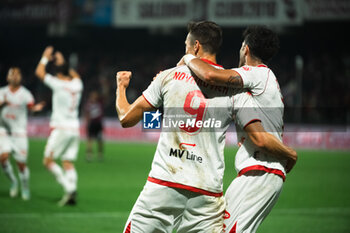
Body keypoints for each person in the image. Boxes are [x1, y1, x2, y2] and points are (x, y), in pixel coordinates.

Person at [116, 21, 296, 233]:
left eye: (186, 46)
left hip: (165, 182)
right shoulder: (237, 91)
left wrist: (121, 87)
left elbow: (126, 119)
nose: (185, 51)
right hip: (207, 193)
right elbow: (257, 134)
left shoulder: (169, 76)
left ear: (195, 47)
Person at [181, 25, 297, 233]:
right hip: (258, 173)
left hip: (260, 172)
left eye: (241, 46)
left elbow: (210, 75)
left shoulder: (255, 74)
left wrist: (189, 57)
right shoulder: (265, 79)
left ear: (246, 49)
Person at [35, 46, 83, 206]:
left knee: (47, 161)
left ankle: (69, 189)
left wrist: (45, 57)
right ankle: (73, 189)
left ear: (58, 72)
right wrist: (64, 62)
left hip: (61, 128)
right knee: (68, 162)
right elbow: (74, 74)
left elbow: (40, 73)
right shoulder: (78, 84)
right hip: (75, 129)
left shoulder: (58, 84)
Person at [0, 67, 44, 200]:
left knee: (21, 164)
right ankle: (13, 182)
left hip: (19, 132)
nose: (15, 77)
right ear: (7, 78)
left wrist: (37, 109)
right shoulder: (2, 92)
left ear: (21, 78)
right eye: (12, 74)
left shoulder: (26, 94)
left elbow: (32, 109)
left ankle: (24, 187)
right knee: (3, 158)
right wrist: (3, 103)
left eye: (17, 74)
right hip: (3, 130)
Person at [83, 91, 104, 161]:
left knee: (100, 140)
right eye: (93, 95)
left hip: (98, 124)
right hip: (91, 124)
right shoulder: (88, 104)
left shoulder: (99, 103)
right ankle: (89, 155)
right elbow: (87, 114)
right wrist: (87, 123)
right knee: (90, 140)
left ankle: (100, 155)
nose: (94, 97)